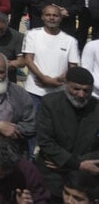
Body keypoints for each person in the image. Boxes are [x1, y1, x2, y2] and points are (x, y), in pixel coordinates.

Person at [35, 67, 99, 201]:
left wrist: (74, 163)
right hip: (52, 176)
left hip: (84, 179)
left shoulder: (96, 107)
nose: (81, 94)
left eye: (86, 90)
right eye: (76, 89)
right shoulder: (49, 103)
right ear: (66, 85)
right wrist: (77, 163)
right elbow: (45, 141)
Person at [23, 5, 80, 103]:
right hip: (34, 90)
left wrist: (59, 80)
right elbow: (28, 60)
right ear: (42, 17)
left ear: (61, 18)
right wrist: (44, 78)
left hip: (59, 92)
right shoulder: (31, 35)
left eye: (55, 15)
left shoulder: (70, 41)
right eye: (48, 15)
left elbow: (73, 66)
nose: (51, 18)